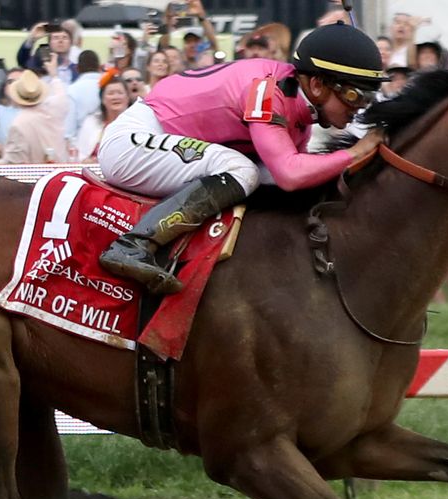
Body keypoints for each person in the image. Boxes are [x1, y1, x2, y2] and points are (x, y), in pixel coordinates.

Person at [96, 21, 386, 294]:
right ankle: (132, 246)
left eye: (368, 99)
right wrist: (354, 153)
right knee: (242, 170)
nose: (359, 108)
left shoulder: (298, 107)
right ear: (318, 85)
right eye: (354, 95)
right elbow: (290, 173)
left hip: (167, 139)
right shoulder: (267, 90)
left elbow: (297, 175)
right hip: (132, 142)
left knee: (266, 176)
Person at [0, 65, 69, 164]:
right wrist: (54, 75)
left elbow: (12, 162)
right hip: (62, 173)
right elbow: (61, 96)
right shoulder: (55, 110)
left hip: (37, 176)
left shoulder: (19, 125)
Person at [76, 75, 130, 162]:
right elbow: (80, 154)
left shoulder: (137, 122)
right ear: (103, 99)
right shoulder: (91, 122)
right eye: (110, 93)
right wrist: (86, 161)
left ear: (127, 98)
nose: (115, 97)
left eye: (120, 93)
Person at [65, 50, 102, 148]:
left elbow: (69, 130)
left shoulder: (72, 90)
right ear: (99, 67)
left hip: (83, 147)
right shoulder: (111, 86)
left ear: (77, 69)